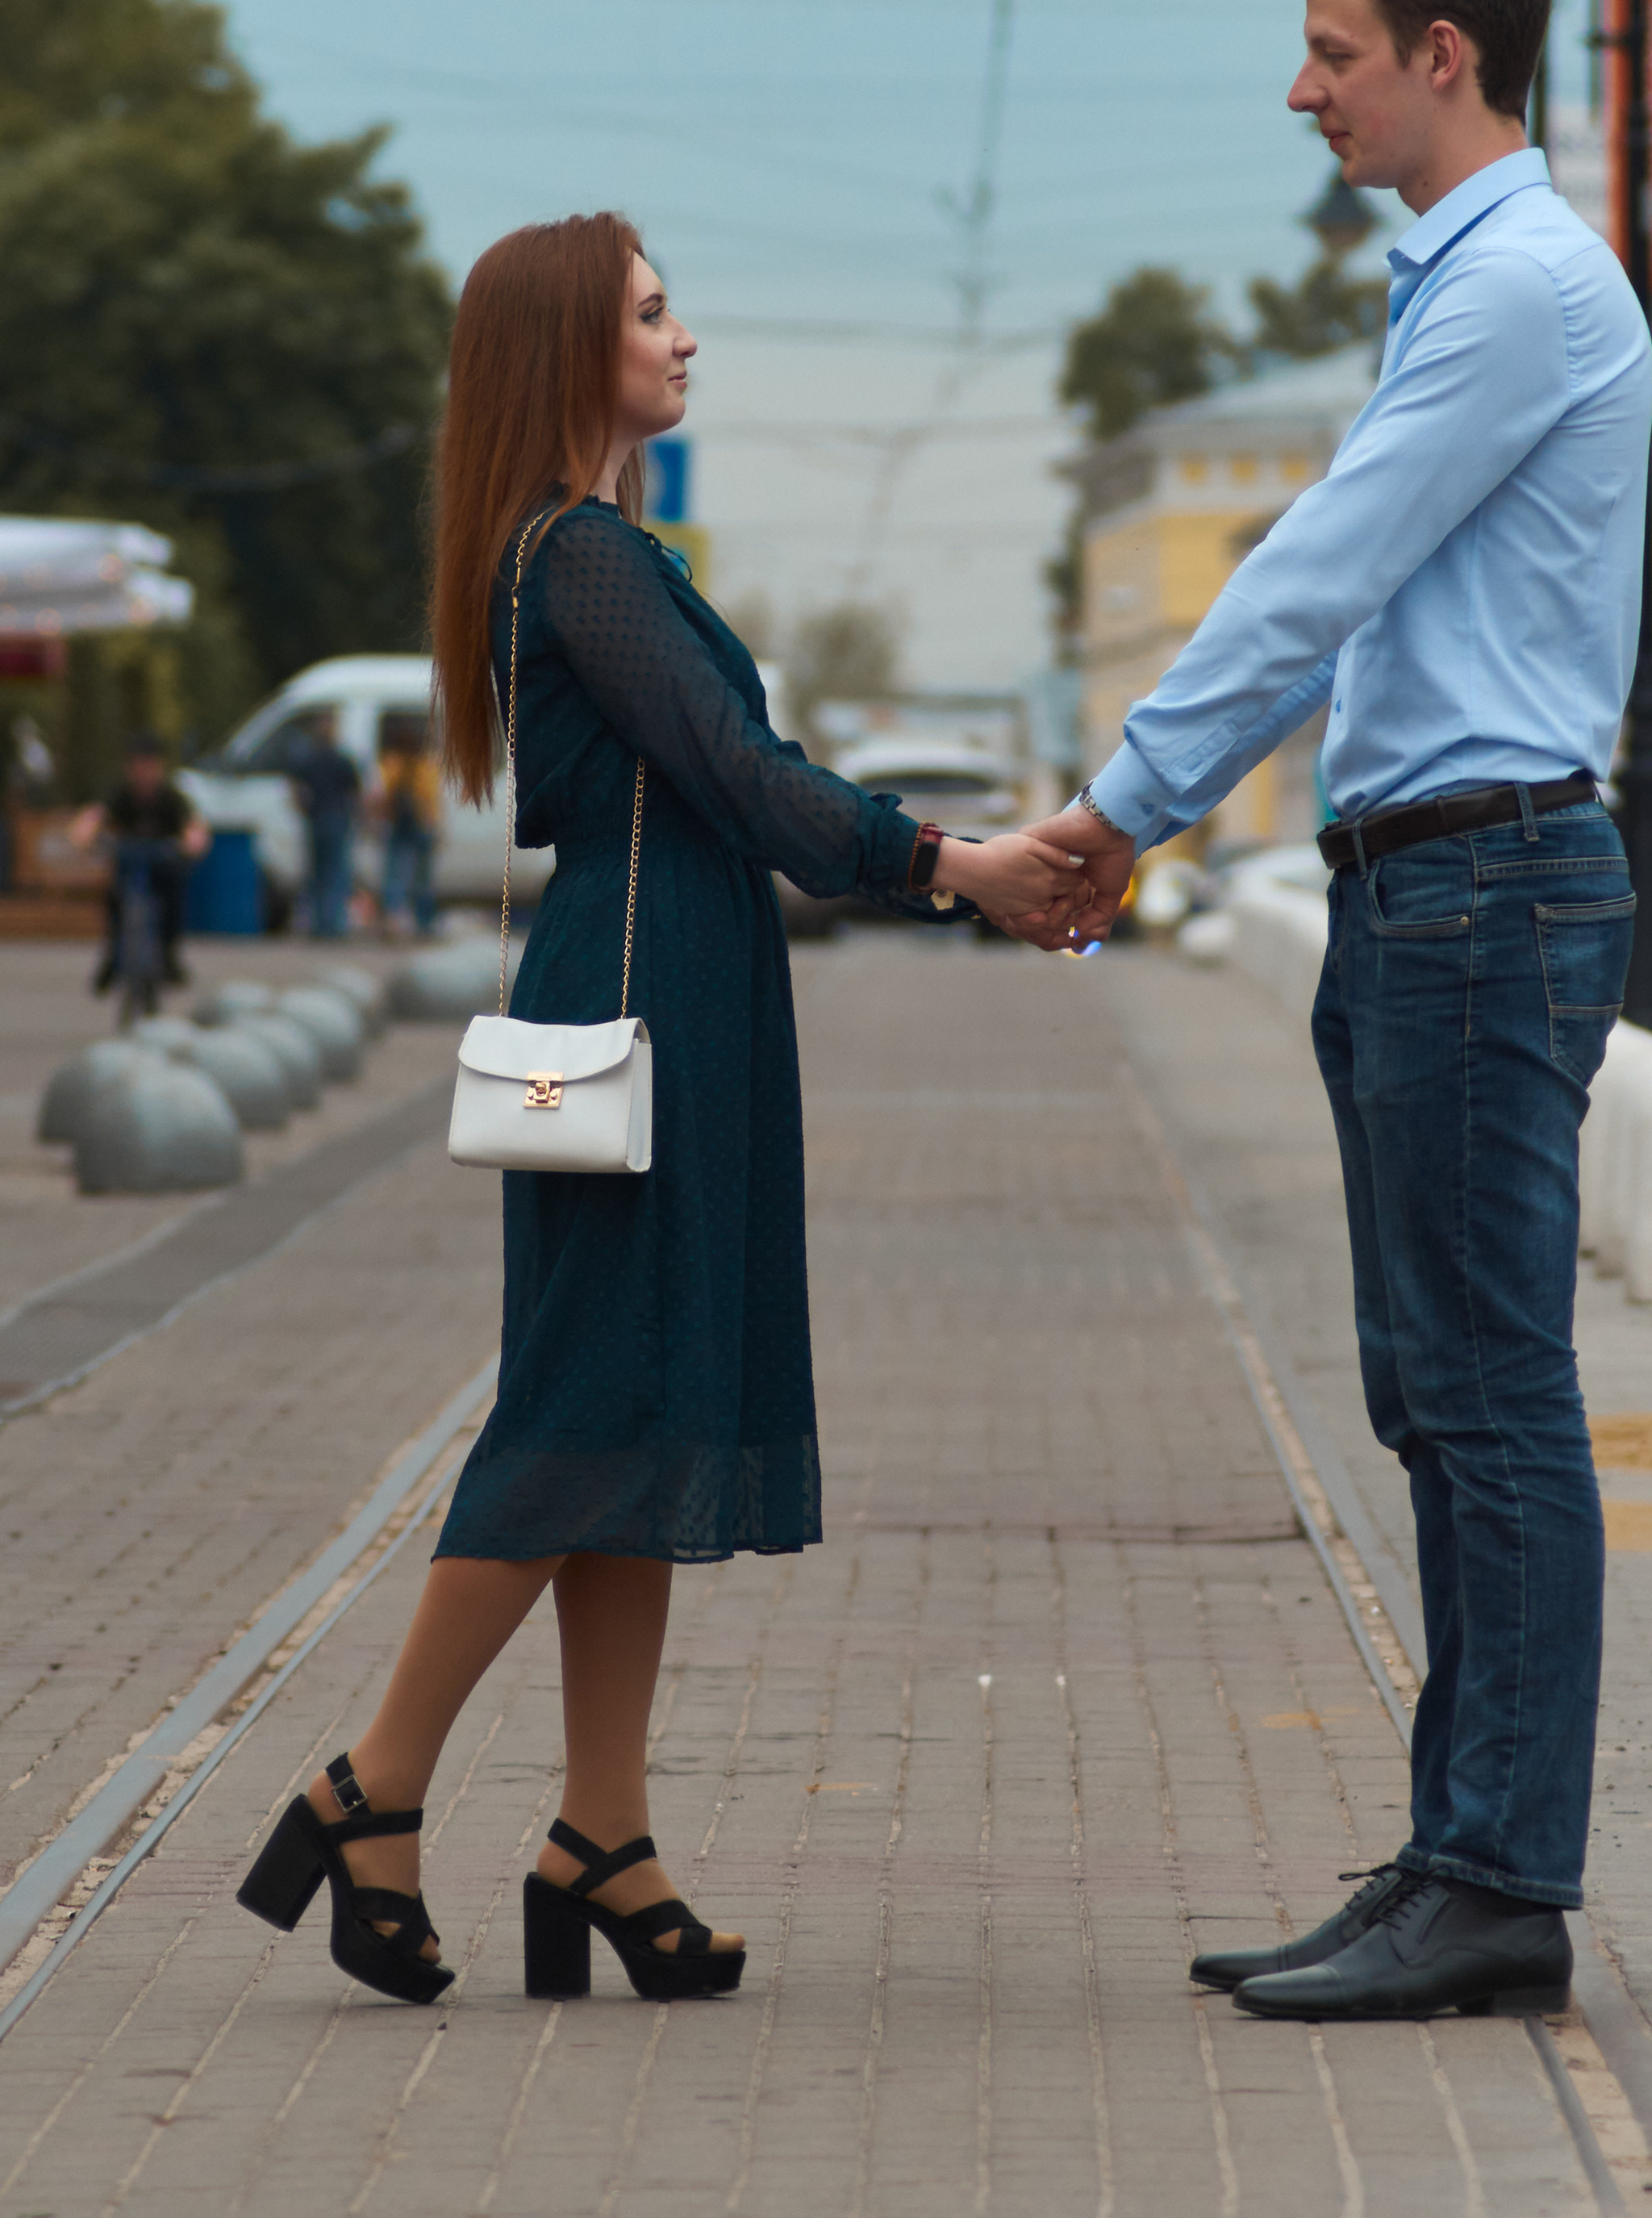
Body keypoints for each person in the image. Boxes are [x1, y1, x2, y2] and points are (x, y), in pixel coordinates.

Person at [235, 212, 1087, 2007]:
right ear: (568, 353)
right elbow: (743, 780)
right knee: (572, 1415)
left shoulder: (584, 553)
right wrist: (951, 865)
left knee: (641, 1422)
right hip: (634, 1014)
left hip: (663, 997)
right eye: (648, 313)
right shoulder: (584, 559)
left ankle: (598, 1841)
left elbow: (720, 780)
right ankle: (367, 1786)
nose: (684, 337)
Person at [1035, 0, 1652, 2020]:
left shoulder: (1518, 295)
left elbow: (1314, 573)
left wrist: (1117, 814)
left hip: (1486, 894)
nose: (1306, 92)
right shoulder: (1472, 289)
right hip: (1435, 888)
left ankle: (1499, 1883)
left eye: (1335, 51)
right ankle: (1456, 1857)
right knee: (1438, 1398)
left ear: (1446, 59)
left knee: (1488, 1402)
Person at [70, 732, 211, 993]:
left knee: (174, 896)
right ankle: (114, 956)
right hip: (129, 862)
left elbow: (193, 827)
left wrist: (191, 845)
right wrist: (85, 837)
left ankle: (169, 953)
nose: (143, 772)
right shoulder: (121, 794)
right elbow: (94, 817)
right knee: (114, 898)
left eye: (149, 764)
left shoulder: (171, 798)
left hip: (162, 864)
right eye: (138, 764)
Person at [290, 708, 362, 939]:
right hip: (337, 820)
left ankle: (318, 925)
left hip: (317, 820)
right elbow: (355, 792)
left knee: (317, 875)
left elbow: (296, 790)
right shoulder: (341, 759)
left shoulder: (308, 758)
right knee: (335, 875)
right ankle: (333, 926)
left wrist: (304, 810)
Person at [373, 709, 442, 937]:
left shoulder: (391, 763)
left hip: (398, 825)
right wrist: (436, 826)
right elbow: (431, 798)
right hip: (422, 825)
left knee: (394, 874)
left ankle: (394, 919)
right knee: (423, 877)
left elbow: (383, 795)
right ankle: (424, 922)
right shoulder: (426, 764)